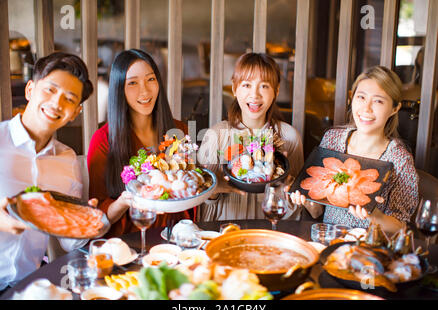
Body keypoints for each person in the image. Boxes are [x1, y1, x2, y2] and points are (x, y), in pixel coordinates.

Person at [0, 52, 94, 292]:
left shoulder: (67, 159)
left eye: (69, 99)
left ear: (75, 113)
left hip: (28, 286)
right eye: (50, 90)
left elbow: (69, 242)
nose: (57, 103)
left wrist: (85, 221)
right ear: (30, 89)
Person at [289, 66, 419, 234]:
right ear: (352, 98)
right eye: (361, 97)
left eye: (378, 101)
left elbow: (400, 227)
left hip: (368, 249)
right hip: (329, 239)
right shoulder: (332, 139)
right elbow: (318, 211)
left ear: (394, 109)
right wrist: (306, 201)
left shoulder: (400, 160)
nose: (367, 108)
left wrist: (375, 215)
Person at [87, 49, 192, 238]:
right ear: (119, 89)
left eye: (150, 79)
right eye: (133, 83)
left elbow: (190, 189)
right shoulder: (103, 140)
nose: (144, 91)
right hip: (127, 244)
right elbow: (96, 216)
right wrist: (124, 202)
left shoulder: (178, 130)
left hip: (175, 237)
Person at [197, 52, 304, 221]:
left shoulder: (290, 137)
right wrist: (213, 191)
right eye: (246, 85)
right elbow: (201, 206)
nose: (255, 95)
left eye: (264, 86)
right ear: (234, 88)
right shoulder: (216, 135)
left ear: (276, 91)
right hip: (227, 230)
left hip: (270, 232)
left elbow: (296, 208)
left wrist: (286, 187)